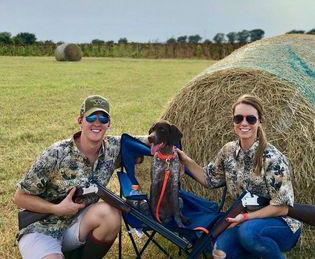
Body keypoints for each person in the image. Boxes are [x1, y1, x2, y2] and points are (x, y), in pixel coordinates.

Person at [14, 95, 145, 259]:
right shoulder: (55, 153)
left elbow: (148, 143)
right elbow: (20, 198)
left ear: (109, 124)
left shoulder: (113, 148)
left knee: (111, 214)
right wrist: (57, 209)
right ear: (80, 121)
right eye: (91, 117)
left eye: (103, 118)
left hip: (77, 226)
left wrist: (180, 155)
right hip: (41, 229)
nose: (97, 123)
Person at [175, 94, 301, 259]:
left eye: (251, 119)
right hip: (244, 221)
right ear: (233, 121)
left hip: (281, 224)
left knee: (248, 233)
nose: (244, 123)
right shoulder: (228, 151)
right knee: (220, 251)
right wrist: (184, 159)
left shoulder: (272, 158)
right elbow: (208, 178)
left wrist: (246, 217)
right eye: (238, 118)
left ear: (260, 122)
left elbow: (282, 207)